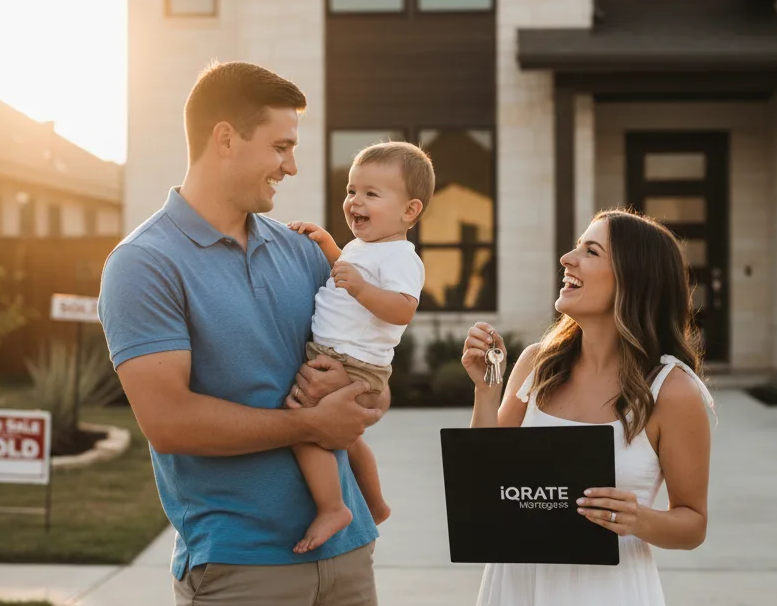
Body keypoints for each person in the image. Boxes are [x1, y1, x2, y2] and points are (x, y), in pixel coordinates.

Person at [98, 61, 387, 606]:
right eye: (280, 147)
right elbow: (169, 422)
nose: (293, 167)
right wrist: (310, 422)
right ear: (226, 139)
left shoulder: (304, 252)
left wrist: (362, 396)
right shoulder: (143, 264)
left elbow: (369, 379)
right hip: (241, 568)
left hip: (349, 555)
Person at [462, 208, 715, 605]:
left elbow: (693, 523)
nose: (567, 258)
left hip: (608, 592)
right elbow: (483, 483)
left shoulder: (672, 390)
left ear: (633, 279)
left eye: (591, 251)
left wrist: (639, 519)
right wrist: (486, 389)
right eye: (577, 246)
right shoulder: (536, 364)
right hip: (515, 586)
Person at [284, 141, 432, 554]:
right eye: (352, 191)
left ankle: (333, 507)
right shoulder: (363, 249)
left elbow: (402, 310)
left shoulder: (402, 257)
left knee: (303, 427)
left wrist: (363, 288)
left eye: (371, 194)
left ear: (409, 211)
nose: (355, 201)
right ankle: (377, 504)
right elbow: (345, 277)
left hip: (353, 364)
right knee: (348, 440)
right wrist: (330, 247)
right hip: (341, 359)